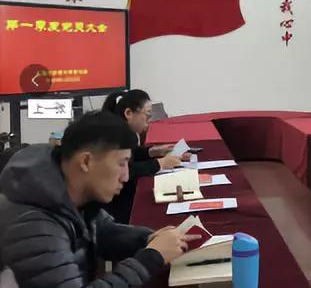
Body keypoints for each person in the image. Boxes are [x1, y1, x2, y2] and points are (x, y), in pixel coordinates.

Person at [0, 111, 199, 287]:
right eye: (121, 163)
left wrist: (148, 239)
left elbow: (102, 231)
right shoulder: (33, 225)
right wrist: (150, 258)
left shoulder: (64, 189)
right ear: (86, 161)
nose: (126, 177)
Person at [102, 89, 184, 223]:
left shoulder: (123, 132)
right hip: (117, 208)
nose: (149, 121)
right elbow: (127, 171)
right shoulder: (115, 137)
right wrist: (160, 164)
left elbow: (132, 154)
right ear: (128, 113)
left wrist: (151, 152)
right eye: (147, 115)